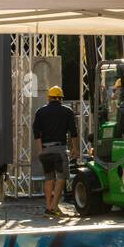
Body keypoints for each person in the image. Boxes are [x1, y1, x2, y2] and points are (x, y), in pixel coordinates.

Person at [33, 85, 78, 217]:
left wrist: (40, 149)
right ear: (60, 98)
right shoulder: (67, 111)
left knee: (49, 178)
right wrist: (75, 148)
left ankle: (48, 207)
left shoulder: (40, 112)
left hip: (45, 149)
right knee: (62, 177)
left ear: (49, 98)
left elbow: (36, 131)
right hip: (59, 149)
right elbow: (73, 132)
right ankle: (54, 207)